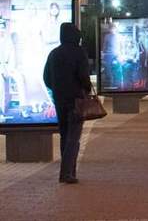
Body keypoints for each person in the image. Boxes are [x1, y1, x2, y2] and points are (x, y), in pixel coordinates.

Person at [42, 23, 91, 184]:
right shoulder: (79, 52)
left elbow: (46, 78)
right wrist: (86, 89)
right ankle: (67, 173)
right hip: (76, 100)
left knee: (65, 135)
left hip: (60, 99)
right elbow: (84, 76)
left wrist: (57, 89)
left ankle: (69, 170)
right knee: (74, 137)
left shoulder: (54, 53)